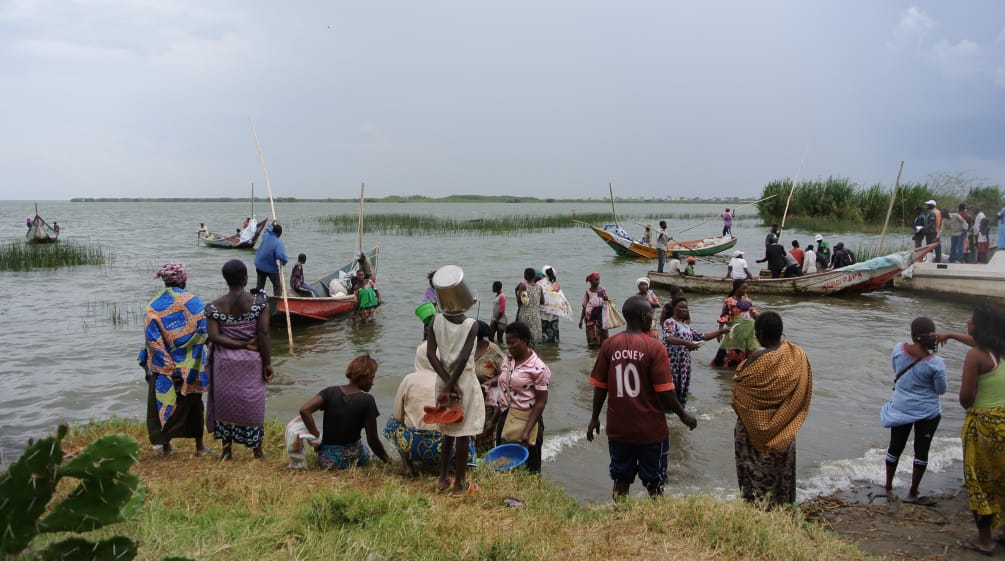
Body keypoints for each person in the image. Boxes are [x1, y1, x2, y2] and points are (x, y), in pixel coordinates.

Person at [587, 296, 697, 499]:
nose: (653, 319)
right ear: (643, 316)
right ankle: (656, 521)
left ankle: (620, 517)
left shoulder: (609, 345)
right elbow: (664, 391)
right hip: (651, 429)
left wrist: (594, 418)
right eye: (651, 315)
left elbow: (600, 387)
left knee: (620, 479)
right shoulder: (655, 347)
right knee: (655, 482)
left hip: (618, 428)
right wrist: (683, 415)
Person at [732, 311, 812, 507]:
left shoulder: (755, 361)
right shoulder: (797, 356)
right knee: (782, 477)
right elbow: (802, 393)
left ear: (759, 332)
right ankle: (782, 513)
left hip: (751, 434)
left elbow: (738, 397)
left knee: (753, 478)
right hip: (784, 431)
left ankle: (755, 513)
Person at [138, 263, 210, 457]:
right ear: (184, 280)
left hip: (163, 366)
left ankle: (166, 446)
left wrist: (166, 366)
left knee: (162, 405)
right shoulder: (193, 301)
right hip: (190, 366)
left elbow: (152, 340)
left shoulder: (153, 305)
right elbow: (204, 331)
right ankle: (199, 447)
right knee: (194, 405)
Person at [205, 259, 272, 460]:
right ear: (246, 278)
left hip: (224, 362)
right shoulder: (259, 303)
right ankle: (257, 451)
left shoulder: (213, 307)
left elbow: (215, 337)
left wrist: (238, 344)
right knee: (253, 401)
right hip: (252, 360)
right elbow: (264, 333)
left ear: (226, 279)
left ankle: (226, 451)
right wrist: (267, 363)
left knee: (226, 401)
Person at [951, 304, 1005, 556]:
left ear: (979, 326)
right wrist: (949, 335)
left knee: (979, 481)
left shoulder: (975, 356)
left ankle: (984, 540)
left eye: (971, 319)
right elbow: (975, 341)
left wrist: (971, 396)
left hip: (982, 424)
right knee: (1001, 478)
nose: (967, 321)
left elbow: (965, 398)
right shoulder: (999, 351)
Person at [426, 269, 485, 496]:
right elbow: (463, 358)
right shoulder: (472, 325)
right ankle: (459, 483)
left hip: (442, 381)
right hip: (463, 383)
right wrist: (453, 385)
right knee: (463, 431)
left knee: (448, 429)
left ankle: (443, 478)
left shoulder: (435, 320)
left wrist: (445, 385)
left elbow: (432, 355)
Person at [880, 316, 946, 506]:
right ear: (933, 336)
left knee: (895, 447)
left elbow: (896, 371)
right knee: (921, 451)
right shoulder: (936, 363)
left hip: (901, 407)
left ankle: (889, 487)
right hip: (928, 412)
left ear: (912, 334)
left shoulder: (898, 350)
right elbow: (941, 390)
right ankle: (912, 492)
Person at [298, 354, 391, 470]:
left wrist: (316, 436)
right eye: (371, 378)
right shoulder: (367, 400)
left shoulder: (329, 392)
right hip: (352, 458)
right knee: (367, 451)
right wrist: (388, 461)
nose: (372, 382)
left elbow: (304, 410)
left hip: (327, 460)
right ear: (362, 376)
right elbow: (372, 440)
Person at [497, 322, 552, 473]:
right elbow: (503, 389)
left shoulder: (539, 368)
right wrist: (494, 420)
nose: (509, 347)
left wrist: (526, 431)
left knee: (530, 469)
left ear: (525, 341)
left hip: (527, 420)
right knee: (502, 464)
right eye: (507, 343)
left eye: (513, 343)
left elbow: (541, 402)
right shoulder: (508, 360)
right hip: (505, 418)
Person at [662, 297, 728, 406]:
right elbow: (669, 338)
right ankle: (669, 411)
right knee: (672, 387)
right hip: (672, 361)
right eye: (681, 307)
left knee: (682, 388)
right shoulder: (670, 322)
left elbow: (702, 336)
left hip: (684, 363)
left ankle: (678, 413)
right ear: (674, 308)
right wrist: (687, 343)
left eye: (686, 308)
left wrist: (721, 331)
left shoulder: (687, 327)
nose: (684, 310)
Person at [712, 279, 760, 368]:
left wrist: (758, 318)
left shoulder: (747, 300)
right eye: (743, 289)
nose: (745, 291)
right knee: (732, 350)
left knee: (749, 351)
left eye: (746, 289)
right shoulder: (729, 301)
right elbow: (724, 316)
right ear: (736, 288)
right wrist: (720, 331)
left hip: (749, 330)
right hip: (736, 330)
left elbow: (753, 312)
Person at [474, 320, 506, 453]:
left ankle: (485, 466)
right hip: (468, 400)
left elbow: (507, 372)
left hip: (487, 402)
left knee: (484, 437)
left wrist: (492, 381)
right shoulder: (465, 349)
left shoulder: (492, 350)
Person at [254, 221, 288, 296]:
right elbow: (280, 255)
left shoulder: (266, 235)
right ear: (279, 234)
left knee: (259, 287)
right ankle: (277, 300)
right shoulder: (278, 243)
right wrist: (285, 261)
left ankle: (257, 300)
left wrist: (271, 225)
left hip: (259, 265)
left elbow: (267, 229)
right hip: (270, 268)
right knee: (277, 286)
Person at [539, 265, 572, 343]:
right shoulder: (555, 284)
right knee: (554, 334)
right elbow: (560, 298)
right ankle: (554, 350)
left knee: (544, 334)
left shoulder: (539, 283)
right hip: (554, 313)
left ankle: (546, 352)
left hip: (543, 313)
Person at [579, 272, 610, 348]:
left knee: (604, 339)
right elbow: (584, 307)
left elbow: (607, 302)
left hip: (602, 317)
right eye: (595, 280)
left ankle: (601, 354)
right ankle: (592, 356)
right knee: (592, 339)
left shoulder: (602, 290)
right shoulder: (588, 293)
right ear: (590, 282)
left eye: (598, 280)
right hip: (590, 319)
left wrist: (606, 299)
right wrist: (581, 320)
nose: (597, 282)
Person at [515, 268, 544, 347]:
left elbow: (519, 300)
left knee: (524, 337)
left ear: (526, 276)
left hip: (525, 314)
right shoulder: (539, 287)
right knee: (534, 338)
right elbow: (542, 301)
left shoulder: (523, 286)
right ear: (534, 276)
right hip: (536, 315)